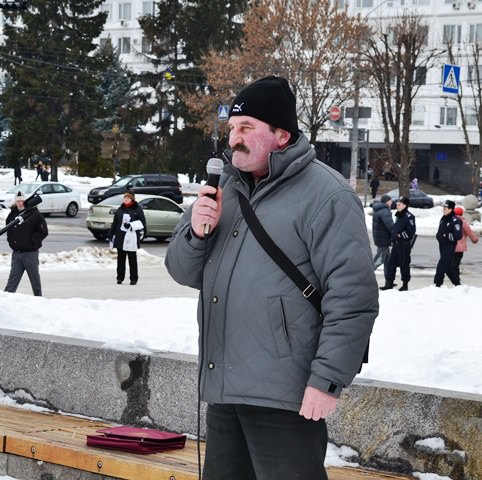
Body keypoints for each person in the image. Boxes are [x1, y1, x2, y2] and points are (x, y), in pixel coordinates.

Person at [165, 76, 378, 480]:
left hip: (287, 396)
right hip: (225, 389)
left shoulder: (327, 195)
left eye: (247, 129)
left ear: (281, 135)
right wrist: (195, 231)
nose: (234, 139)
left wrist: (327, 380)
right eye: (232, 129)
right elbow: (181, 270)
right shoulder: (222, 187)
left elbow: (353, 297)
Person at [4, 191, 48, 296]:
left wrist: (32, 242)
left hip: (30, 253)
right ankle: (6, 302)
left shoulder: (35, 214)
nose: (20, 203)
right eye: (18, 201)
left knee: (35, 281)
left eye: (22, 200)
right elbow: (9, 231)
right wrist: (12, 242)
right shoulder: (12, 215)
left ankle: (39, 300)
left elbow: (43, 231)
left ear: (26, 201)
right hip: (17, 254)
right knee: (12, 281)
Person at [108, 191, 146, 285]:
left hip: (131, 238)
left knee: (132, 259)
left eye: (127, 198)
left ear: (132, 199)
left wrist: (131, 225)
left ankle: (133, 279)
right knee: (121, 259)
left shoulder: (137, 209)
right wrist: (111, 233)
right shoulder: (120, 209)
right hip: (120, 237)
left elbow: (142, 223)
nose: (125, 200)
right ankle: (120, 277)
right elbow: (115, 223)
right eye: (124, 198)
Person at [380, 196, 416, 291]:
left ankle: (405, 284)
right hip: (396, 244)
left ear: (405, 205)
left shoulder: (409, 217)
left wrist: (400, 236)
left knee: (404, 264)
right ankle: (389, 283)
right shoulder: (398, 215)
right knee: (391, 264)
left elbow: (411, 231)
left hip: (403, 244)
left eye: (399, 204)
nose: (397, 205)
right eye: (397, 204)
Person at [434, 200, 462, 287]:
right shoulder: (443, 219)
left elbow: (458, 235)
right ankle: (457, 283)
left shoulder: (455, 220)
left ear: (451, 209)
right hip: (442, 245)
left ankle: (437, 284)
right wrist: (438, 236)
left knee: (442, 265)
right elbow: (440, 231)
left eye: (446, 208)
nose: (444, 210)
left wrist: (446, 236)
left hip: (449, 246)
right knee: (448, 266)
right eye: (443, 208)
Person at [452, 206, 478, 281]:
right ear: (462, 214)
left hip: (450, 247)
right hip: (460, 248)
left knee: (451, 263)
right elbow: (470, 233)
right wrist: (475, 240)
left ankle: (454, 277)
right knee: (456, 264)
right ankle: (456, 279)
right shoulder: (463, 223)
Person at [372, 194, 394, 280]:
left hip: (381, 239)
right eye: (390, 200)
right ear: (386, 201)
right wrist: (396, 233)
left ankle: (388, 281)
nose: (391, 202)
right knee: (378, 260)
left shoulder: (379, 210)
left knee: (387, 261)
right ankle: (365, 275)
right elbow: (390, 226)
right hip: (383, 240)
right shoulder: (384, 211)